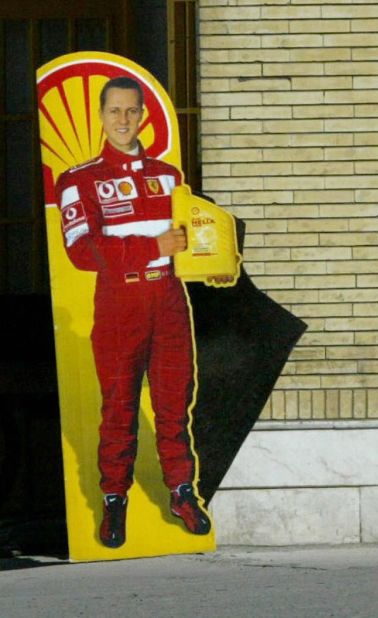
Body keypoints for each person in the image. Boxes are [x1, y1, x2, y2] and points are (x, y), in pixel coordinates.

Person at [55, 76, 211, 547]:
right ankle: (113, 500)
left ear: (142, 115)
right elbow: (81, 251)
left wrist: (209, 268)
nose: (123, 121)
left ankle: (182, 492)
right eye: (114, 112)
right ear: (101, 118)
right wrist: (151, 246)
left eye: (131, 111)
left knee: (172, 405)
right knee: (119, 408)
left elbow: (190, 242)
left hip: (168, 301)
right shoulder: (79, 180)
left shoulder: (170, 176)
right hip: (120, 302)